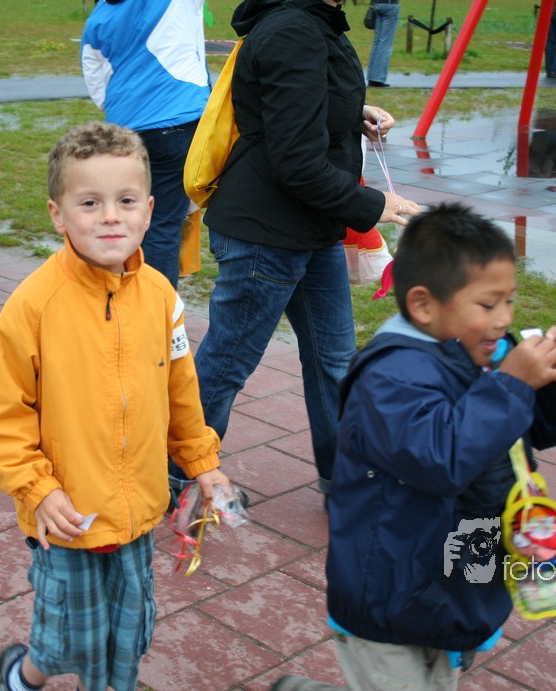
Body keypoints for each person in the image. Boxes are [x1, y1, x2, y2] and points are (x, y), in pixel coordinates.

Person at [273, 202, 556, 691]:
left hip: (463, 573)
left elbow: (552, 425)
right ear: (425, 305)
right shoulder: (390, 377)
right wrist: (511, 386)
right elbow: (440, 459)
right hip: (390, 589)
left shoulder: (490, 357)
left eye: (509, 301)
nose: (503, 319)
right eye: (487, 305)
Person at [0, 121, 232, 691]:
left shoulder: (161, 296)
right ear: (58, 214)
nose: (111, 217)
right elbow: (0, 420)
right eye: (90, 203)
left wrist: (202, 463)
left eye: (126, 201)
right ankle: (24, 674)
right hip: (67, 515)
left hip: (137, 509)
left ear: (149, 210)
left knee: (129, 630)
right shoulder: (33, 307)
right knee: (68, 636)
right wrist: (39, 490)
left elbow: (180, 390)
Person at [167, 0, 421, 505]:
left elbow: (292, 110)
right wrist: (376, 204)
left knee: (333, 359)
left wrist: (353, 113)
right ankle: (172, 478)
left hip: (308, 225)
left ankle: (346, 483)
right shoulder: (292, 29)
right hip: (266, 232)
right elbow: (297, 161)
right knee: (227, 364)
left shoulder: (311, 22)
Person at [81, 0, 210, 288]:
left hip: (125, 129)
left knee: (127, 218)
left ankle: (120, 295)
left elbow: (95, 79)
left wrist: (125, 108)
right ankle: (156, 307)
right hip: (176, 120)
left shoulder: (99, 16)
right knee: (163, 225)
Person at [364, 0, 399, 88]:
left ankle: (371, 77)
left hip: (377, 4)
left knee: (377, 42)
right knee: (385, 44)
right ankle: (378, 78)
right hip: (390, 5)